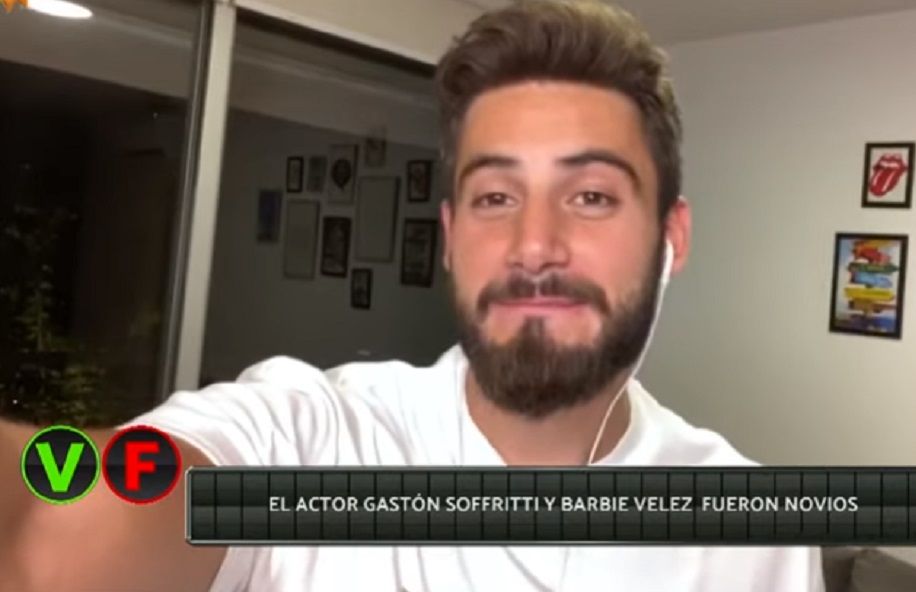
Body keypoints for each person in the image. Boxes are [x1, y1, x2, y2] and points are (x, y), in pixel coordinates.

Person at [0, 1, 823, 590]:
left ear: (672, 235)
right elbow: (62, 521)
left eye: (591, 195)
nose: (534, 243)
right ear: (452, 236)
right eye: (496, 196)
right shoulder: (312, 440)